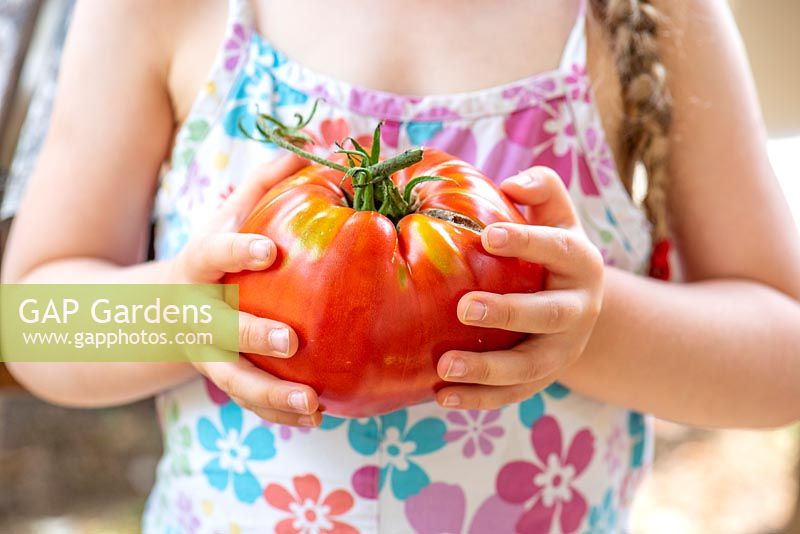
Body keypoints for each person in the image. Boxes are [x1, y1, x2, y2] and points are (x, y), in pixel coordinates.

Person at [3, 0, 800, 531]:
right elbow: (30, 322)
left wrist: (584, 326)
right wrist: (190, 312)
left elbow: (782, 352)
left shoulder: (653, 14)